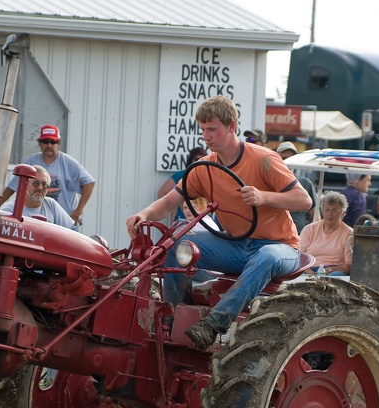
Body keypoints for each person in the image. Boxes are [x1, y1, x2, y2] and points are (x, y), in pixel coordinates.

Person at [125, 95, 310, 351]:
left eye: (212, 129)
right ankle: (175, 318)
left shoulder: (263, 159)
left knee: (267, 255)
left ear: (232, 126)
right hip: (237, 245)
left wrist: (263, 196)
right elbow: (168, 202)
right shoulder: (204, 168)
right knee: (176, 244)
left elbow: (304, 200)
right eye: (203, 130)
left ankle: (213, 325)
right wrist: (143, 215)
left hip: (280, 247)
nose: (206, 136)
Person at [1, 125, 95, 225]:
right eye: (45, 141)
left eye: (53, 142)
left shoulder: (68, 163)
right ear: (40, 143)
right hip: (34, 222)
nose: (49, 145)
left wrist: (79, 210)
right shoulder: (31, 161)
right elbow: (13, 186)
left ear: (58, 143)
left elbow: (89, 182)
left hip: (62, 224)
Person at [0, 165, 76, 230]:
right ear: (25, 185)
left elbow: (72, 230)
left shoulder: (51, 205)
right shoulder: (9, 210)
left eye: (44, 184)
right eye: (35, 183)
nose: (40, 188)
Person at [299, 192, 353, 275]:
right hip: (309, 269)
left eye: (334, 210)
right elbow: (300, 258)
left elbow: (348, 265)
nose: (329, 214)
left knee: (334, 277)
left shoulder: (349, 234)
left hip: (335, 270)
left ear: (343, 213)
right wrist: (310, 273)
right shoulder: (309, 229)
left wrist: (329, 270)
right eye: (326, 209)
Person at [157, 147, 208, 223]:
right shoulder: (182, 174)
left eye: (202, 159)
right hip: (182, 220)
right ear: (191, 160)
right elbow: (162, 192)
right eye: (196, 159)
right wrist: (175, 209)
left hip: (203, 220)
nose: (199, 162)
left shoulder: (209, 176)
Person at [276, 141, 316, 233]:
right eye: (284, 158)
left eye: (291, 158)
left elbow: (315, 216)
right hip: (275, 236)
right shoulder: (269, 182)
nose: (288, 161)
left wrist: (310, 236)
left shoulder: (305, 183)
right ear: (277, 159)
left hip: (299, 236)